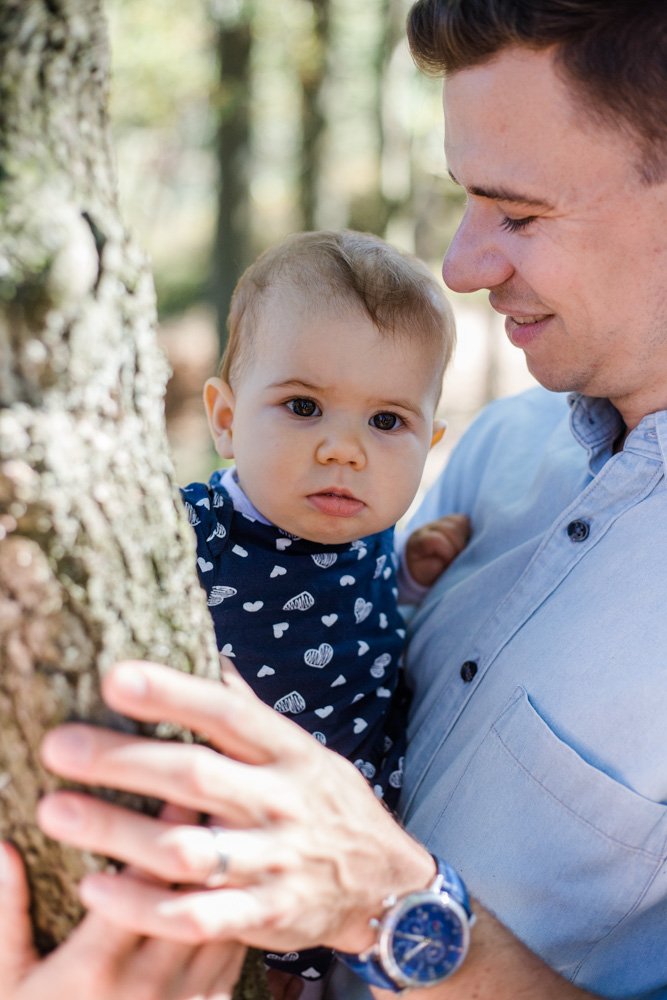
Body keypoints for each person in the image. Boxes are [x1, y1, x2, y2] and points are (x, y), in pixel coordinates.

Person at [3, 1, 667, 999]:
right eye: (466, 201)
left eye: (518, 213)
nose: (458, 266)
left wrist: (394, 905)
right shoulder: (499, 453)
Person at [180, 228, 467, 980]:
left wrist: (409, 577)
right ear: (226, 418)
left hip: (347, 879)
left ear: (429, 440)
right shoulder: (191, 529)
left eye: (385, 422)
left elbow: (355, 616)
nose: (345, 448)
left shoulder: (367, 528)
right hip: (219, 850)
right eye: (303, 405)